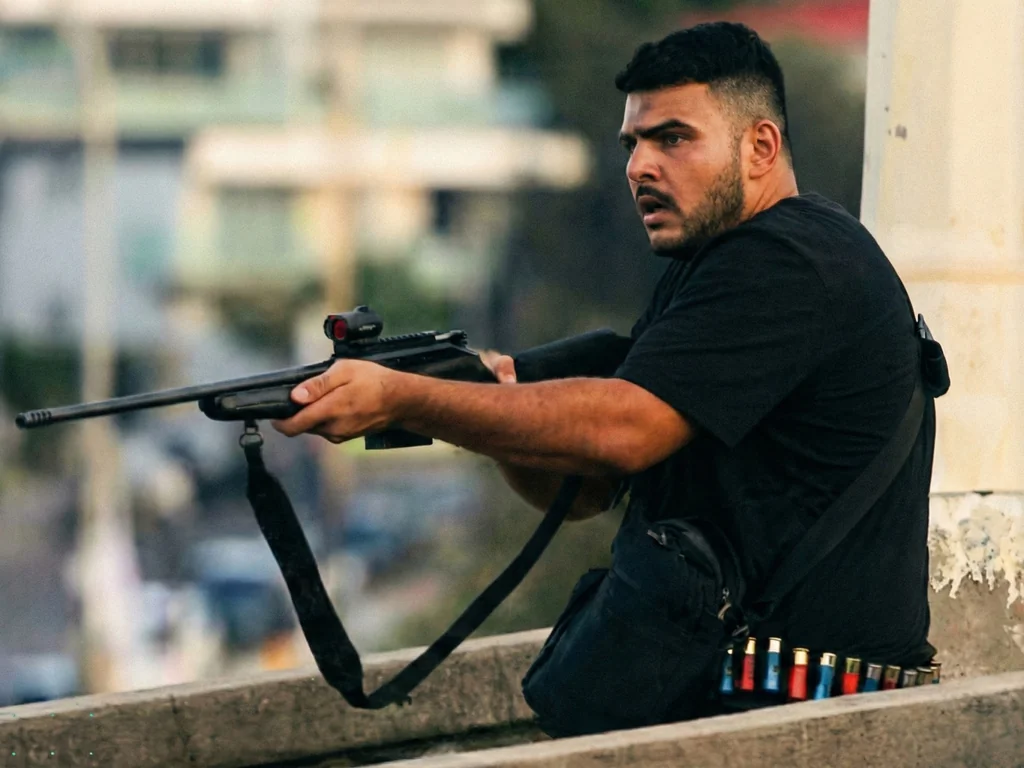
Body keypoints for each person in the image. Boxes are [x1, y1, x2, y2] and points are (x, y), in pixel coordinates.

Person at [272, 22, 938, 734]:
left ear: (761, 147)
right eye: (633, 144)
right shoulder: (711, 266)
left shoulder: (788, 260)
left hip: (810, 715)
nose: (641, 167)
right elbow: (585, 488)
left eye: (673, 138)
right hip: (749, 701)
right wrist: (493, 402)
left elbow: (624, 430)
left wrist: (410, 398)